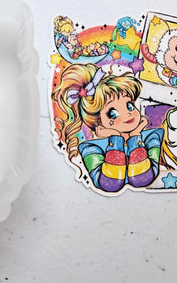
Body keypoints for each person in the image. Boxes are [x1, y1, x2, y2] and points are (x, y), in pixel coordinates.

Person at [52, 64, 163, 193]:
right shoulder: (91, 149)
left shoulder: (152, 137)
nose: (128, 114)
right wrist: (116, 140)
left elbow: (143, 178)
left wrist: (135, 137)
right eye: (113, 113)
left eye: (129, 106)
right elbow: (110, 184)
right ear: (97, 122)